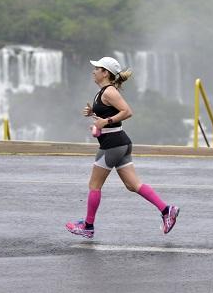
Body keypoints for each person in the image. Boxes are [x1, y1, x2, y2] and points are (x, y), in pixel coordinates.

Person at [65, 56, 180, 239]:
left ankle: (88, 226)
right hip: (120, 143)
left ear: (105, 73)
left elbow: (127, 111)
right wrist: (94, 114)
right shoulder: (103, 91)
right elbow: (109, 112)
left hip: (112, 145)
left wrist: (106, 121)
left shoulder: (109, 92)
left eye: (97, 68)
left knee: (94, 185)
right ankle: (167, 210)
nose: (93, 71)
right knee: (133, 185)